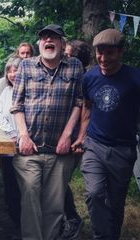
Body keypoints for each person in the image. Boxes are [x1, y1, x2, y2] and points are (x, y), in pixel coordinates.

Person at [10, 24, 83, 240]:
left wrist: (67, 135)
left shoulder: (75, 66)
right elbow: (17, 104)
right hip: (29, 149)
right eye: (44, 38)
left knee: (54, 204)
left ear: (62, 43)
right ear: (39, 43)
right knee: (30, 197)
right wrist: (23, 135)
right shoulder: (26, 66)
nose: (48, 41)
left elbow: (79, 102)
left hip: (61, 151)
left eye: (53, 37)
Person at [71, 28, 140, 239]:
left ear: (120, 53)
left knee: (116, 201)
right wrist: (82, 136)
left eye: (109, 53)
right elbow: (88, 108)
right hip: (95, 145)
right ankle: (101, 236)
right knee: (94, 193)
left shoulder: (135, 78)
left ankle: (111, 235)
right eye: (100, 52)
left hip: (123, 149)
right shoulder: (89, 77)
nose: (103, 58)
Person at [60, 39, 92, 240]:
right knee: (56, 181)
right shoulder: (69, 75)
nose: (65, 57)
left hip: (76, 139)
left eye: (69, 55)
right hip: (64, 135)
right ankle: (66, 219)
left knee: (59, 181)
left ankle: (72, 219)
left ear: (78, 59)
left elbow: (87, 112)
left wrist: (81, 138)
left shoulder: (86, 79)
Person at [0, 56, 22, 238]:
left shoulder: (32, 89)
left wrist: (22, 136)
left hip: (28, 146)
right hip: (8, 146)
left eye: (16, 70)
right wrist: (11, 133)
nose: (12, 74)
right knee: (11, 187)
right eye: (9, 71)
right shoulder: (6, 92)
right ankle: (16, 223)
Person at [0, 42, 34, 120]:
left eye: (28, 53)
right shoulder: (2, 83)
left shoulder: (36, 78)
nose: (25, 56)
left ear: (32, 55)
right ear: (17, 55)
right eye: (22, 53)